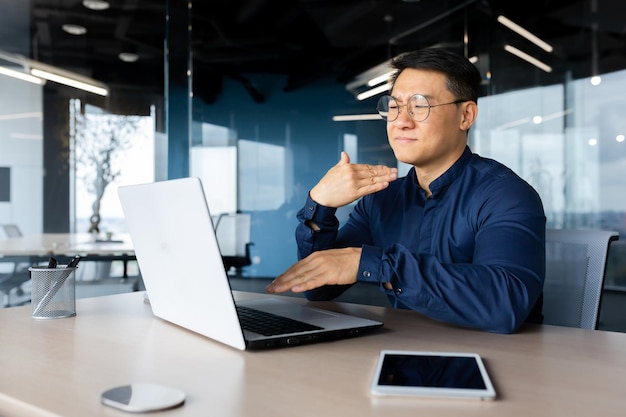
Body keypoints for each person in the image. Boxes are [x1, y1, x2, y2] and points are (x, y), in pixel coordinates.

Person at [266, 48, 546, 334]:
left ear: (466, 115)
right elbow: (321, 290)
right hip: (407, 349)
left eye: (420, 105)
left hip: (502, 362)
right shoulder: (382, 198)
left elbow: (506, 302)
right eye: (395, 106)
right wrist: (320, 206)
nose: (401, 120)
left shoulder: (505, 194)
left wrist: (377, 265)